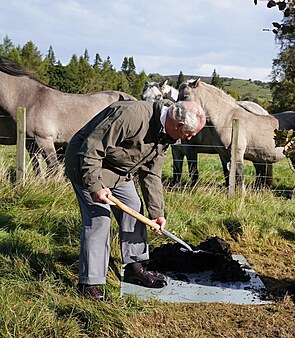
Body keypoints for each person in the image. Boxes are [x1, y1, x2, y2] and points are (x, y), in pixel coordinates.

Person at [64, 99, 206, 300]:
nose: (189, 139)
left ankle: (134, 267)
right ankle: (90, 283)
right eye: (189, 134)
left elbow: (151, 174)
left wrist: (156, 213)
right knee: (99, 220)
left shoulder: (166, 135)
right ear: (179, 125)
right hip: (86, 165)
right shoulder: (132, 116)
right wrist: (95, 187)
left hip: (119, 171)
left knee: (134, 207)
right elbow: (92, 149)